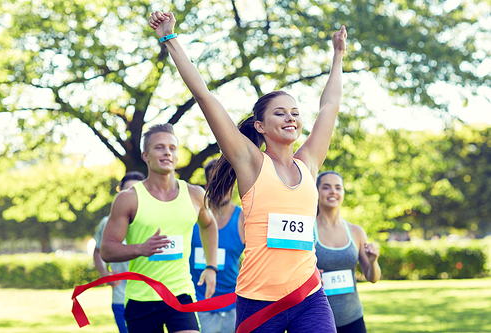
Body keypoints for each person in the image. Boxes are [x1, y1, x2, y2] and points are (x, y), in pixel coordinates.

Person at [148, 11, 346, 332]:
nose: (290, 118)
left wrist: (337, 56)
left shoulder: (308, 163)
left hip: (307, 295)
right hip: (258, 300)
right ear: (260, 126)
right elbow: (204, 95)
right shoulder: (250, 162)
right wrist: (170, 38)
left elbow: (330, 106)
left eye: (295, 113)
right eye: (280, 113)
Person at [100, 123, 218, 333]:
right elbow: (107, 250)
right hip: (141, 297)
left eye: (172, 148)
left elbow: (209, 225)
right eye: (160, 147)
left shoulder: (195, 195)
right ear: (145, 155)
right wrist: (140, 249)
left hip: (180, 293)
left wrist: (211, 266)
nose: (167, 153)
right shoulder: (128, 199)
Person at [314, 171, 381, 333]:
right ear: (316, 192)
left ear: (343, 192)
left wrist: (373, 261)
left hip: (353, 318)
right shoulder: (307, 229)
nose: (333, 192)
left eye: (338, 187)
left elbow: (373, 278)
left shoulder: (356, 231)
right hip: (318, 319)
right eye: (326, 187)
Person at [189, 159, 245, 333]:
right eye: (216, 181)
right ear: (207, 185)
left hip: (232, 303)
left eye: (227, 181)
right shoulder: (192, 215)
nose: (222, 187)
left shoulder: (244, 218)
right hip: (196, 303)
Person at [93, 171, 146, 333]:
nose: (132, 195)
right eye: (127, 191)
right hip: (121, 297)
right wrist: (104, 274)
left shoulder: (151, 223)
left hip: (150, 297)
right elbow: (97, 251)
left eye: (137, 190)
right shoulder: (107, 223)